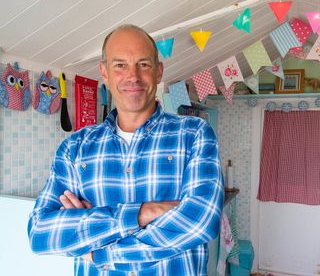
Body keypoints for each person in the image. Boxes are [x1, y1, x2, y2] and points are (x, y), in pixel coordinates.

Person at [28, 24, 224, 276]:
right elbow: (40, 233)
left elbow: (201, 223)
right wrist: (145, 212)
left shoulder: (195, 133)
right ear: (105, 72)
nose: (133, 76)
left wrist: (99, 248)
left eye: (143, 64)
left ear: (159, 72)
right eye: (120, 65)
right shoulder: (74, 147)